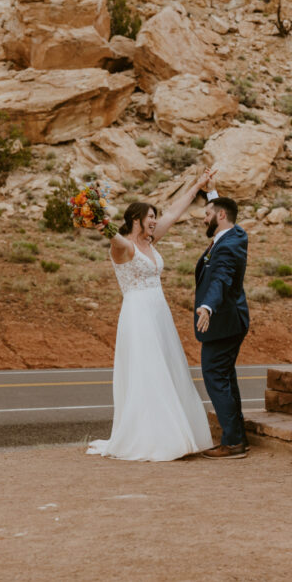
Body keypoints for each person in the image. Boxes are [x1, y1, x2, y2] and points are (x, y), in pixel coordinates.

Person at [86, 169, 217, 462]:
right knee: (148, 371)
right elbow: (114, 240)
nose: (156, 221)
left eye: (155, 218)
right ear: (136, 221)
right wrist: (99, 219)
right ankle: (154, 438)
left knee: (167, 369)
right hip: (138, 314)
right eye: (150, 218)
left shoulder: (151, 242)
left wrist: (197, 185)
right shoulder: (124, 246)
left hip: (159, 312)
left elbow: (174, 211)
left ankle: (177, 431)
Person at [194, 192, 251, 459]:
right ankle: (237, 436)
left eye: (207, 214)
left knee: (215, 377)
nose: (204, 219)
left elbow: (221, 278)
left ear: (220, 216)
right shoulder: (235, 235)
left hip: (223, 321)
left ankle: (233, 442)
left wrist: (208, 306)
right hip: (232, 321)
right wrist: (214, 192)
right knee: (225, 377)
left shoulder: (227, 246)